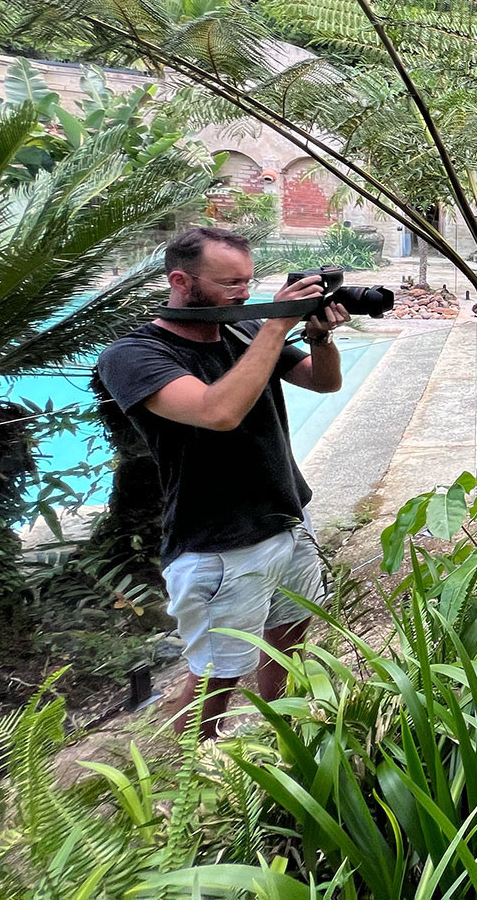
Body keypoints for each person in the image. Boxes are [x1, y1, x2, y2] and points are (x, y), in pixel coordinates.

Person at [95, 227, 349, 738]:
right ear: (180, 281)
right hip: (219, 544)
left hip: (287, 519)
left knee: (289, 645)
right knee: (218, 676)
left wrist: (319, 337)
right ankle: (191, 770)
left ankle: (283, 740)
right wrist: (277, 326)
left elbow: (324, 382)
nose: (243, 293)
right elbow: (219, 412)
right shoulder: (133, 355)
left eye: (248, 281)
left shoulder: (243, 331)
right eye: (230, 283)